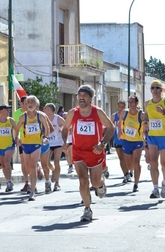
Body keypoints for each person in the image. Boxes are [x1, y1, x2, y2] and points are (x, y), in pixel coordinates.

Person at [62, 84, 115, 222]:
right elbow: (65, 128)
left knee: (95, 181)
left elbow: (111, 128)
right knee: (83, 180)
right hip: (78, 152)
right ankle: (87, 209)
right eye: (79, 96)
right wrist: (65, 141)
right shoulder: (73, 112)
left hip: (95, 151)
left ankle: (100, 185)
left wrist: (102, 144)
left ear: (90, 98)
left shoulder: (97, 112)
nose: (81, 98)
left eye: (84, 96)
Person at [145, 80, 165, 198]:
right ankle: (155, 188)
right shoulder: (147, 103)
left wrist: (163, 112)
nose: (155, 90)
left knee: (163, 162)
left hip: (164, 135)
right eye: (153, 88)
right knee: (153, 162)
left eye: (157, 88)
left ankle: (164, 183)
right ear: (150, 90)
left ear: (161, 90)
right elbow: (146, 118)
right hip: (152, 136)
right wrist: (145, 124)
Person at [15, 95, 50, 201]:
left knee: (33, 166)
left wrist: (46, 137)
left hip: (36, 144)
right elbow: (16, 129)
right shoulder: (23, 117)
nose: (30, 105)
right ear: (26, 104)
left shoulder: (41, 116)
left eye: (32, 103)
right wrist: (17, 138)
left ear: (36, 105)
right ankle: (34, 179)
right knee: (28, 168)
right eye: (28, 103)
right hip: (25, 144)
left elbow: (47, 127)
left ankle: (33, 191)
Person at [118, 95, 144, 192]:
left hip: (137, 141)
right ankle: (133, 170)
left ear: (137, 103)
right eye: (129, 102)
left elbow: (146, 125)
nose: (130, 104)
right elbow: (120, 122)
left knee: (136, 162)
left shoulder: (141, 114)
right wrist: (119, 131)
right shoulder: (125, 113)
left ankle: (136, 184)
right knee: (130, 166)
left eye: (132, 102)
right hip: (126, 140)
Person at [44, 103, 65, 191]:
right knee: (46, 162)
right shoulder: (44, 118)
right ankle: (53, 171)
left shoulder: (58, 118)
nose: (44, 110)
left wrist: (62, 128)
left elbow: (67, 126)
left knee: (56, 161)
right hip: (48, 142)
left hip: (58, 142)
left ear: (50, 110)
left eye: (45, 108)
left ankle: (57, 183)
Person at [13, 96, 30, 192]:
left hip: (33, 141)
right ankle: (27, 183)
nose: (28, 105)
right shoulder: (17, 113)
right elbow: (17, 127)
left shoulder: (34, 113)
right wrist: (17, 138)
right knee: (23, 163)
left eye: (29, 102)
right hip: (23, 140)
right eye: (26, 103)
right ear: (22, 103)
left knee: (30, 163)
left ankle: (35, 171)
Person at [111, 100, 130, 183]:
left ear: (125, 107)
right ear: (117, 106)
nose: (121, 108)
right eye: (120, 107)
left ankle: (130, 170)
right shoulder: (113, 116)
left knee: (127, 157)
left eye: (123, 107)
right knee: (121, 158)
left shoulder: (128, 115)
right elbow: (110, 127)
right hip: (118, 140)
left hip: (127, 139)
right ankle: (126, 174)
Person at [0, 104, 16, 192]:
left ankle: (9, 182)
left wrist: (17, 138)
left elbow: (16, 129)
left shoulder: (10, 120)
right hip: (0, 146)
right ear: (1, 111)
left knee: (6, 161)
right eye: (6, 109)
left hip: (10, 145)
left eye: (8, 109)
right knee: (2, 165)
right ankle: (8, 181)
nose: (8, 111)